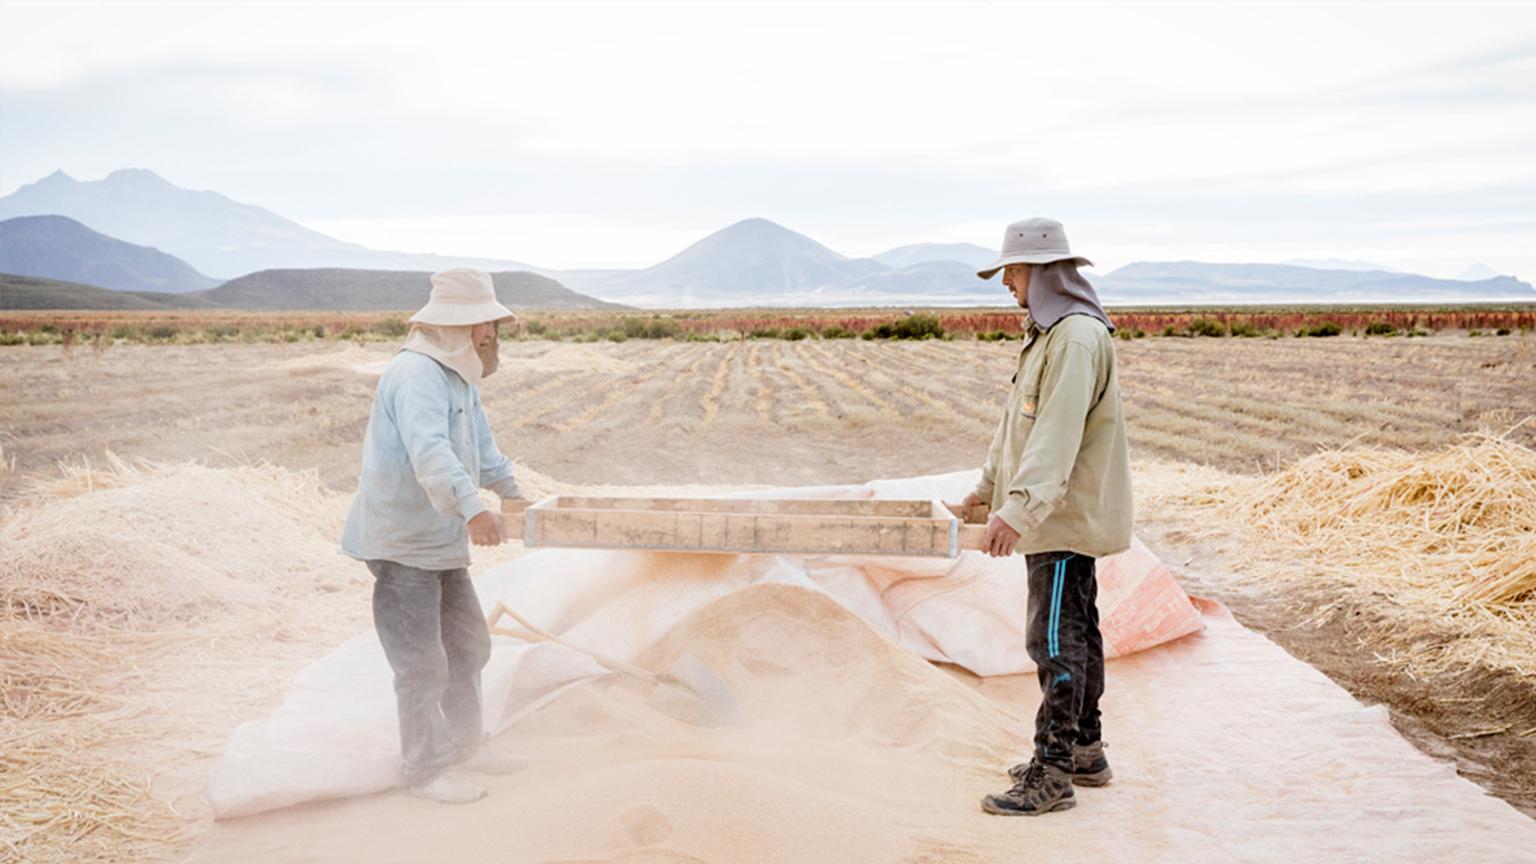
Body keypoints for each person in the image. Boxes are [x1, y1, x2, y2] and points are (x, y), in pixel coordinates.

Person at [955, 218, 1133, 816]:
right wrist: (986, 493)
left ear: (1043, 271)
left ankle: (1052, 773)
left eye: (1012, 270)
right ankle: (1085, 751)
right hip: (1056, 513)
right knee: (1077, 629)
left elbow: (1055, 438)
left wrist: (1018, 511)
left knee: (1053, 639)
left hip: (1061, 516)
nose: (1006, 282)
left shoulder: (1075, 338)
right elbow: (1019, 425)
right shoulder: (1048, 334)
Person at [340, 267, 527, 804]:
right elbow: (432, 455)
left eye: (492, 323)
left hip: (438, 539)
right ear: (458, 324)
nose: (492, 333)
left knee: (468, 647)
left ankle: (468, 746)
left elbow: (481, 449)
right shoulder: (416, 375)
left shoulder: (457, 376)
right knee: (421, 665)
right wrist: (473, 511)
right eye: (485, 323)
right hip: (403, 543)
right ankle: (425, 769)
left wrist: (513, 494)